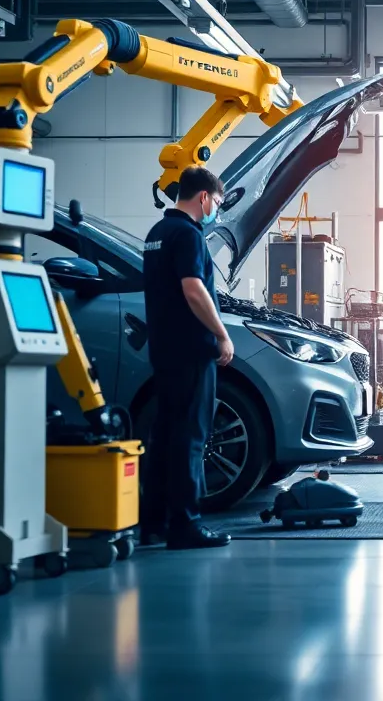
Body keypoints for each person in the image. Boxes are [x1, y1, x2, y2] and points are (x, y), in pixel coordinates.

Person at [140, 166, 234, 549]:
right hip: (192, 350)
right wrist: (221, 334)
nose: (216, 211)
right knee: (191, 437)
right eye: (217, 204)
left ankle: (153, 523)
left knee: (164, 435)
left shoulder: (156, 233)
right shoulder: (189, 235)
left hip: (164, 349)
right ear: (204, 198)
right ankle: (186, 524)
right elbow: (194, 290)